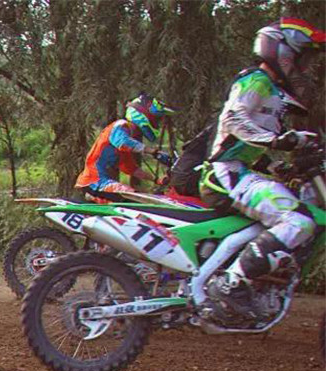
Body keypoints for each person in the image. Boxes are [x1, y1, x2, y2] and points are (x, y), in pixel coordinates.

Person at [202, 17, 323, 318]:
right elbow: (233, 120)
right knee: (298, 220)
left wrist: (278, 166)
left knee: (296, 208)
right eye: (301, 59)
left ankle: (258, 278)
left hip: (239, 171)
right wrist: (276, 140)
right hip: (225, 175)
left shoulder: (273, 91)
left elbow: (245, 145)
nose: (303, 68)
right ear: (283, 52)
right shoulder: (255, 80)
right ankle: (231, 283)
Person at [75, 94, 175, 202]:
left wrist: (156, 180)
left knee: (137, 197)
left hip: (101, 182)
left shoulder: (126, 144)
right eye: (156, 119)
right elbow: (122, 142)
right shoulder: (121, 125)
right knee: (133, 198)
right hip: (94, 181)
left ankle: (95, 199)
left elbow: (131, 168)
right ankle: (92, 197)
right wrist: (153, 152)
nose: (157, 123)